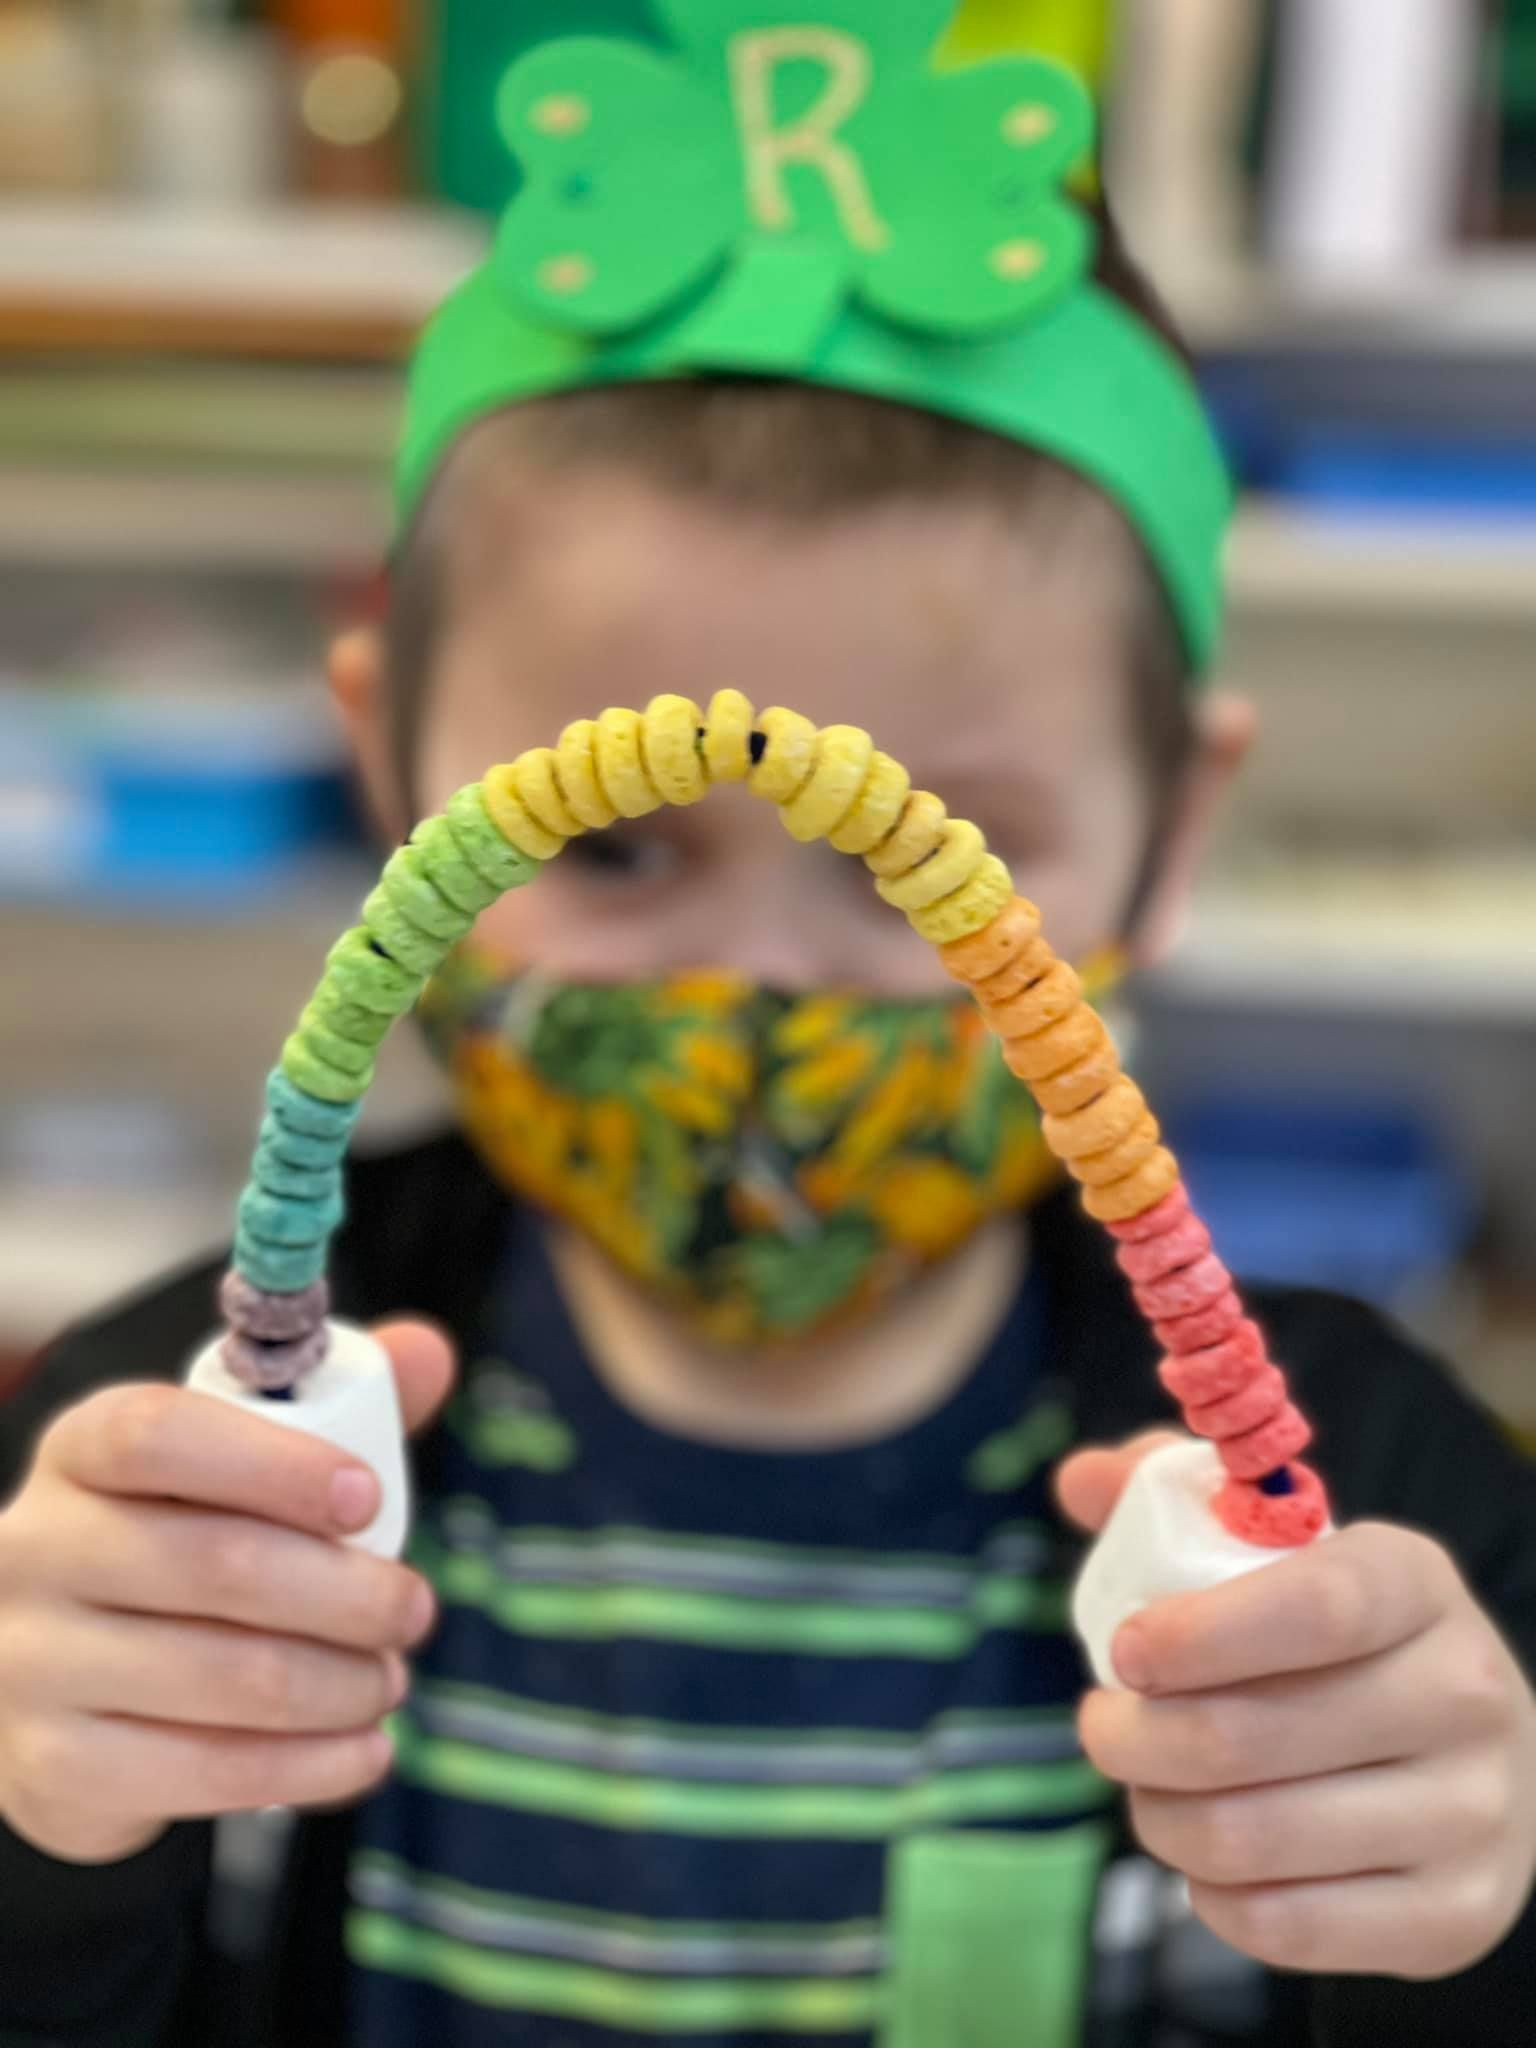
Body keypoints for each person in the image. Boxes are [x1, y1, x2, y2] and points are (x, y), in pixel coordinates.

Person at [2, 16, 1534, 2048]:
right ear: (391, 775)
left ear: (1175, 836)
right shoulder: (165, 1460)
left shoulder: (1377, 1498)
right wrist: (47, 1828)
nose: (767, 994)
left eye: (941, 862)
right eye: (618, 854)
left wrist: (1460, 1918)